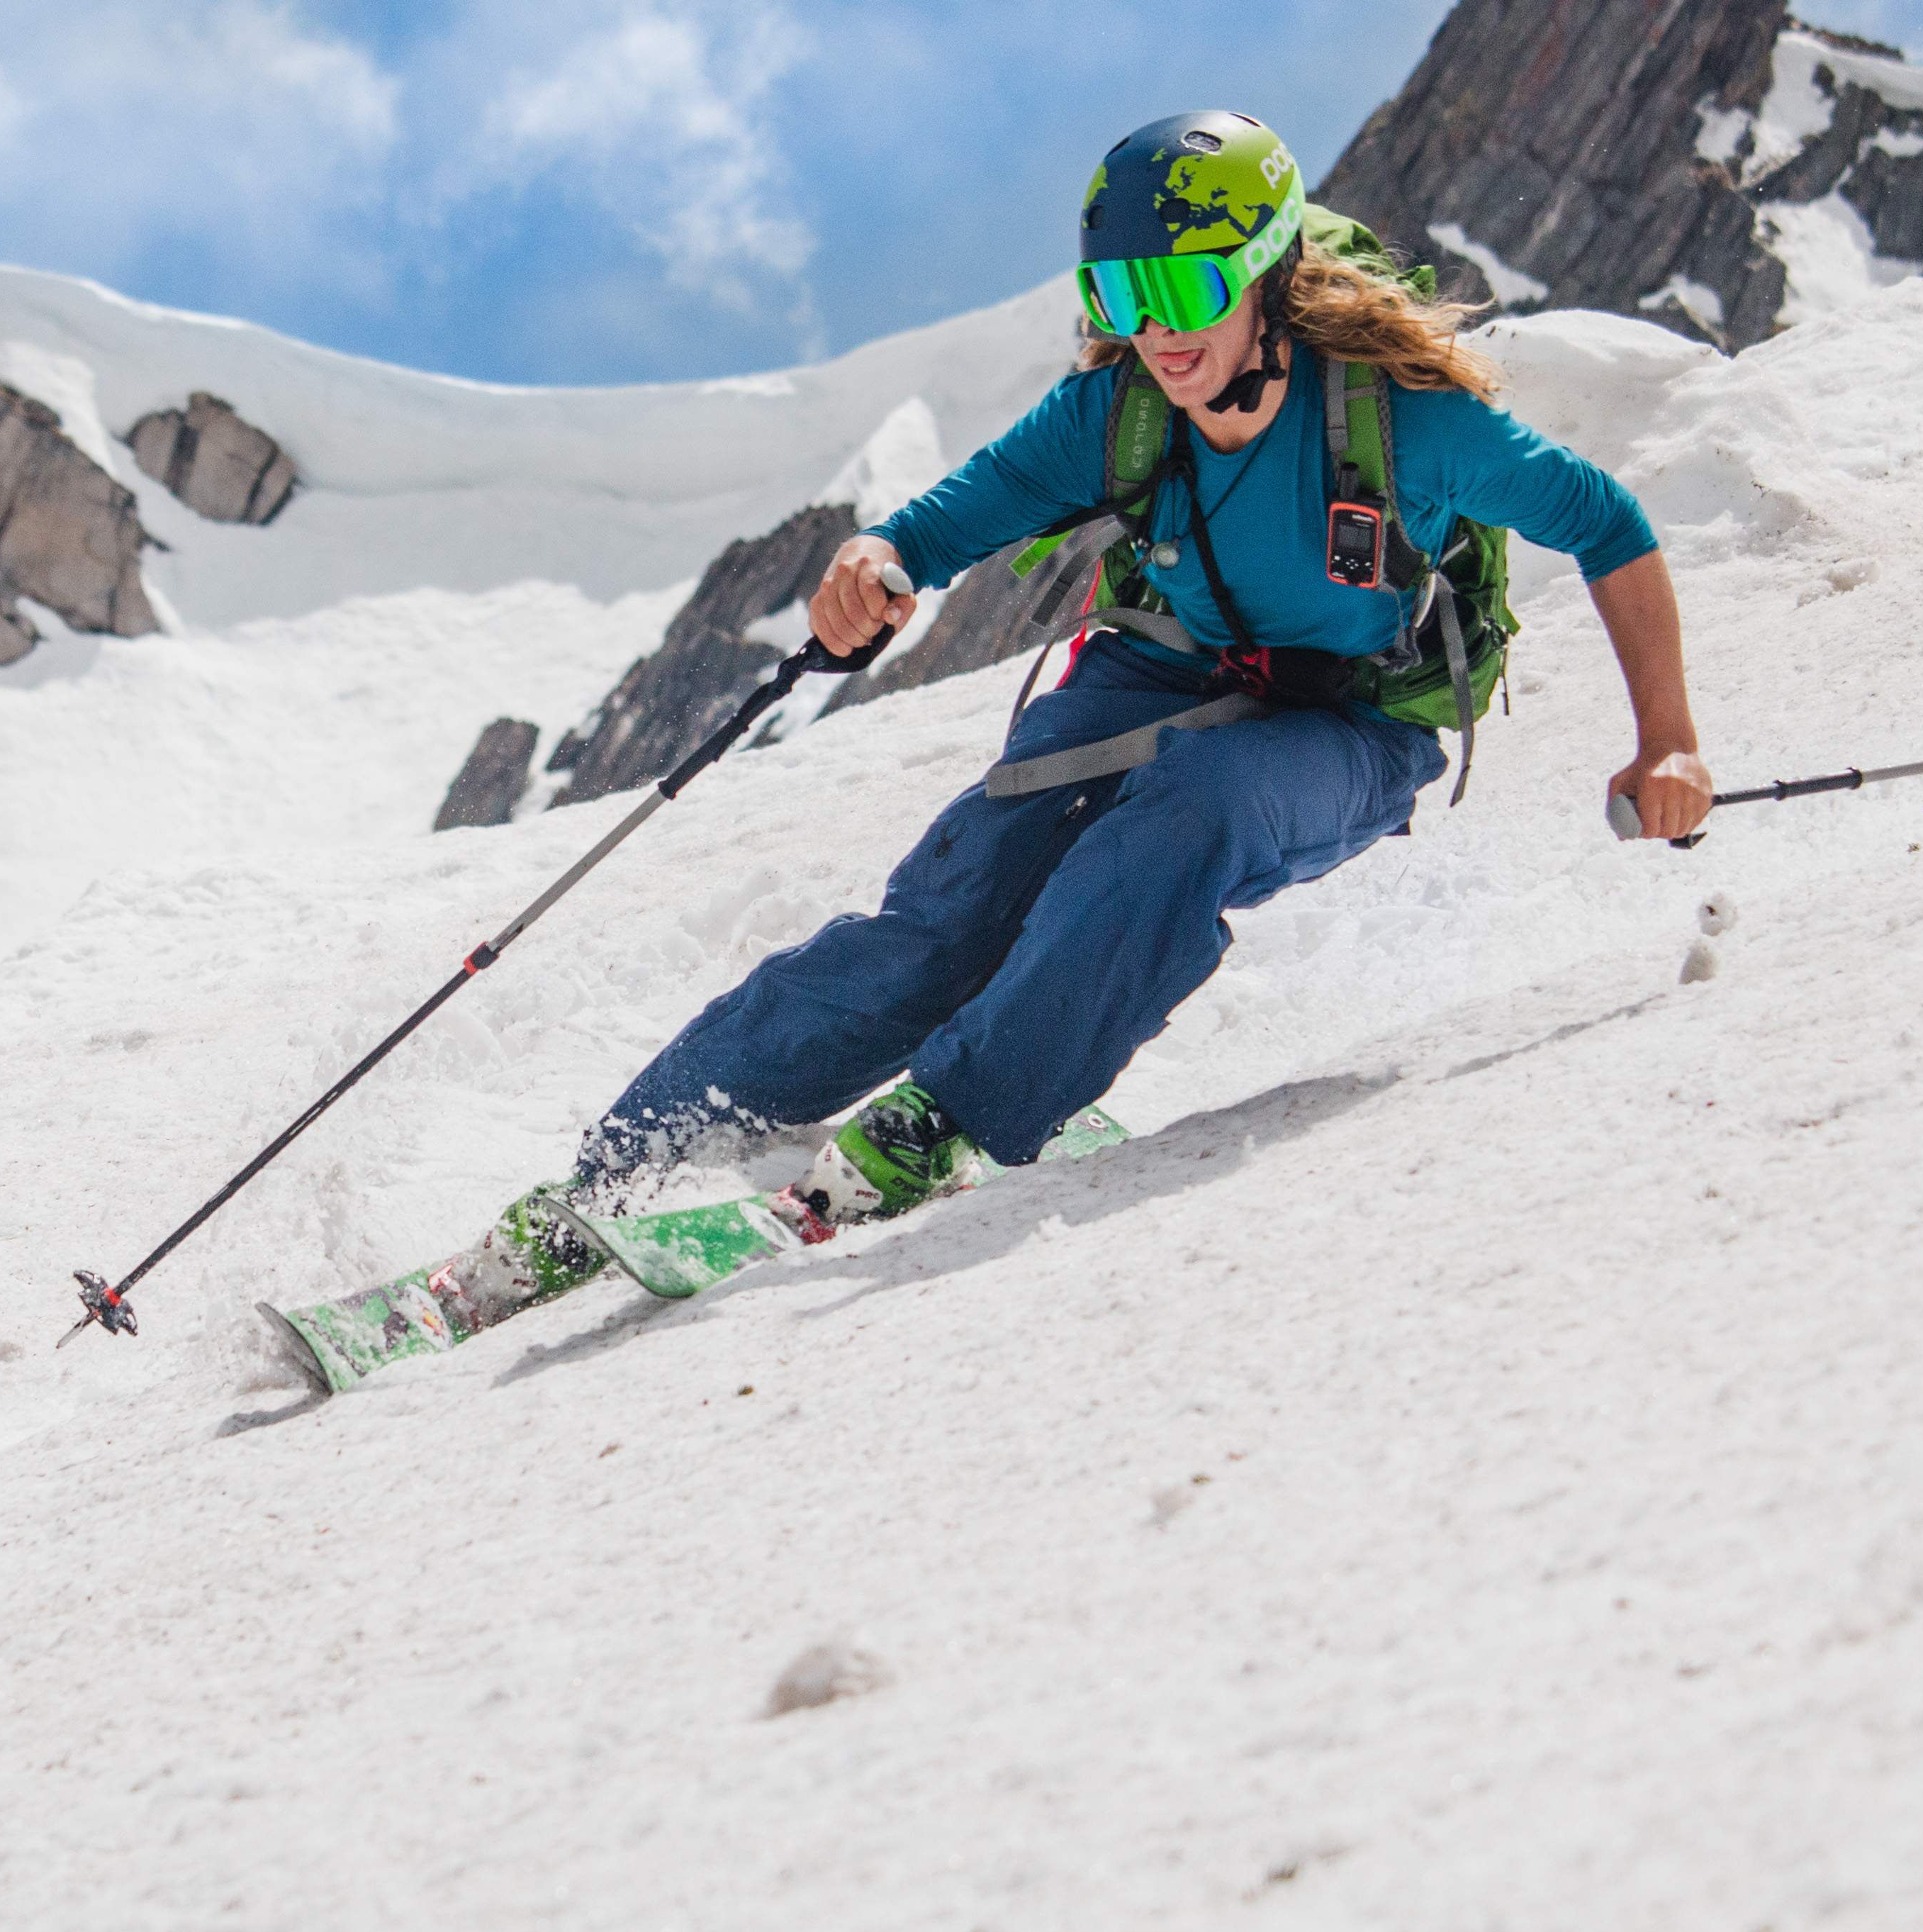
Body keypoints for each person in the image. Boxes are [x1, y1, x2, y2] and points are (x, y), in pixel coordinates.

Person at [575, 108, 1715, 1227]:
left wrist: (1667, 739)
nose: (1157, 333)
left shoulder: (1405, 422)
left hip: (1352, 725)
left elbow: (1605, 522)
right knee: (964, 903)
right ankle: (653, 1140)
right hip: (1170, 671)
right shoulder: (1117, 414)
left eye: (1185, 292)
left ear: (1267, 276)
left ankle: (957, 1111)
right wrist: (872, 563)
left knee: (1186, 817)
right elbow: (931, 531)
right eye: (1123, 297)